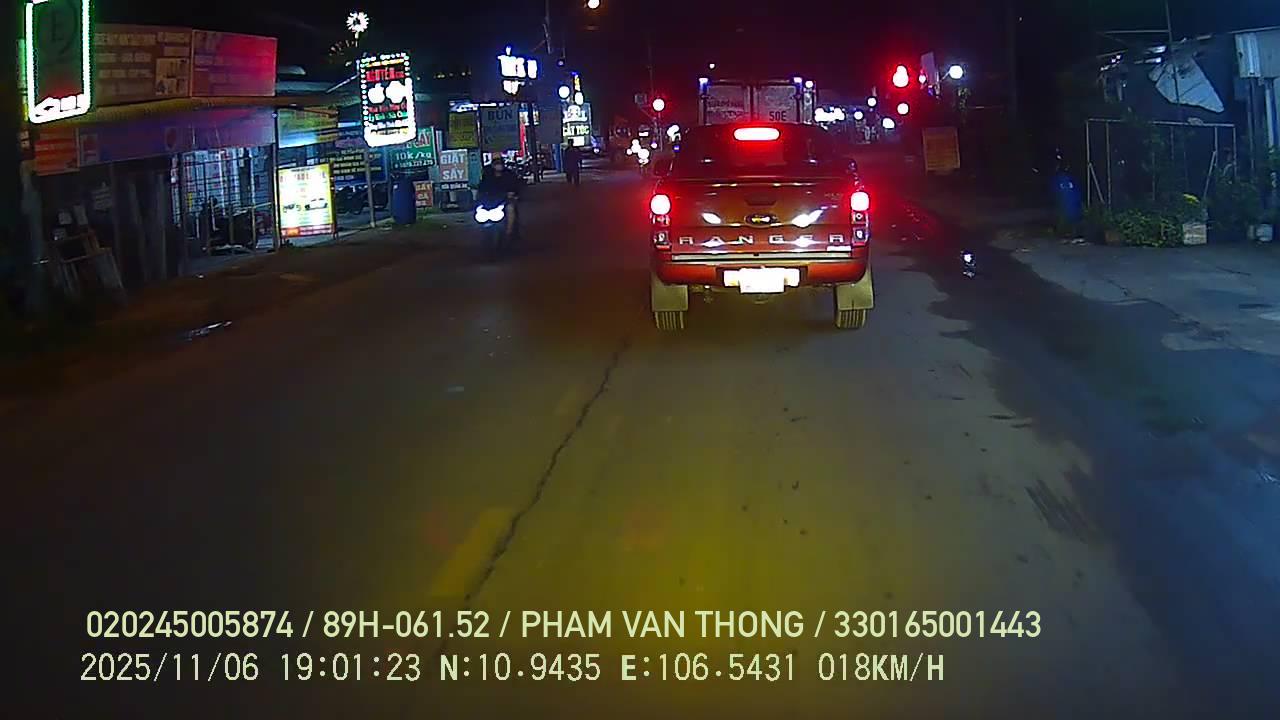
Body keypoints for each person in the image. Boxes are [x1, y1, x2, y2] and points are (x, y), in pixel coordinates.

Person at [476, 156, 523, 237]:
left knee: (510, 208)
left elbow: (515, 187)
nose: (499, 166)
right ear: (493, 165)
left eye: (500, 164)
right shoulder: (488, 175)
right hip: (491, 200)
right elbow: (482, 188)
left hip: (505, 199)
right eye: (496, 164)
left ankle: (509, 232)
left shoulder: (509, 175)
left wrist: (512, 194)